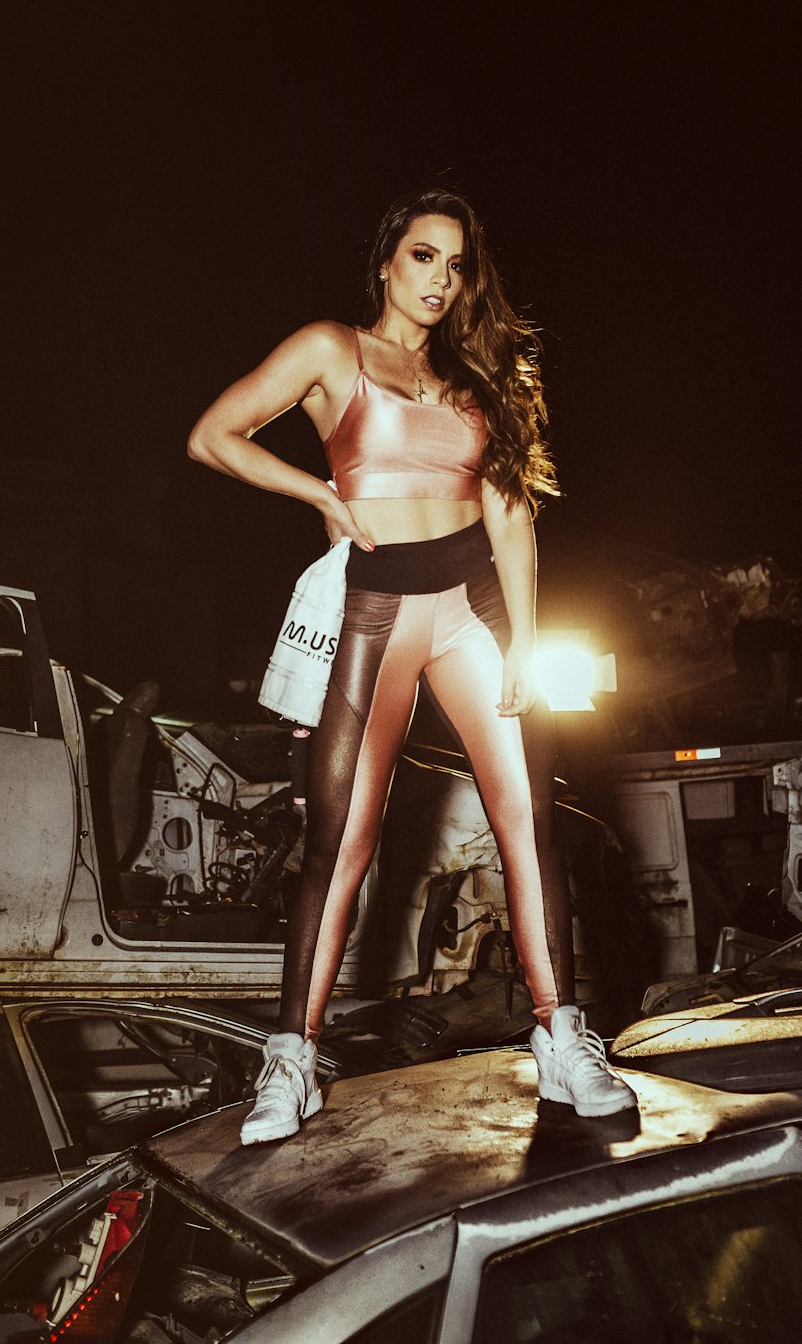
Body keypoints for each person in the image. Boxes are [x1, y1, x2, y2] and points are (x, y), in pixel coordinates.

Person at [188, 188, 636, 1143]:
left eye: (458, 264)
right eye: (426, 256)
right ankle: (291, 1061)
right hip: (379, 608)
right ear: (388, 258)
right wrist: (320, 493)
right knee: (339, 842)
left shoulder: (481, 377)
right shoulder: (329, 350)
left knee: (529, 823)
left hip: (474, 608)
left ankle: (562, 1039)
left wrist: (521, 637)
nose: (442, 279)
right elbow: (212, 436)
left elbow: (513, 516)